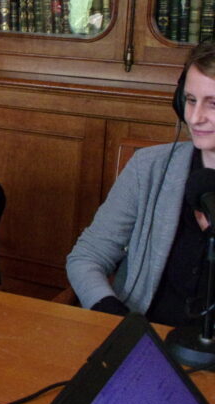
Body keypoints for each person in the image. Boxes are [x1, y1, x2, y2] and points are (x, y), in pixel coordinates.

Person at [67, 42, 215, 327]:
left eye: (213, 104)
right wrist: (112, 314)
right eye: (190, 100)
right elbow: (87, 257)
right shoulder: (149, 168)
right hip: (144, 337)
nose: (195, 118)